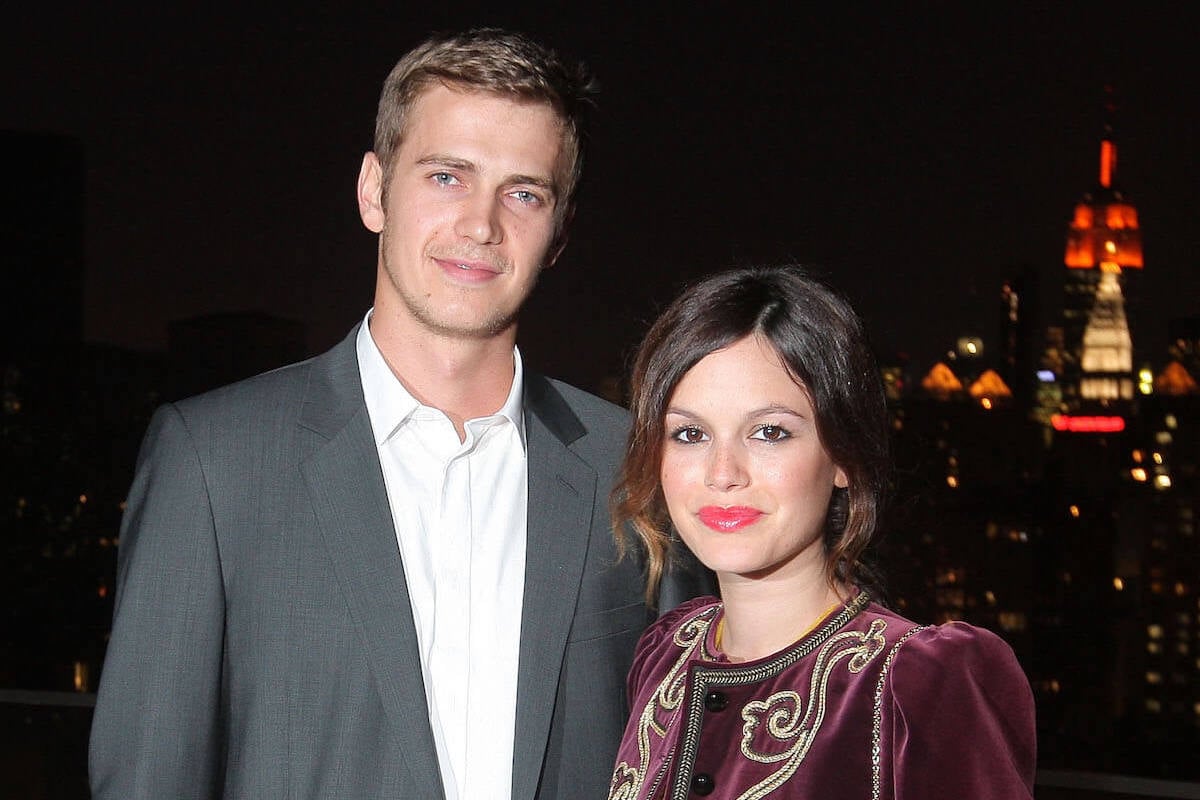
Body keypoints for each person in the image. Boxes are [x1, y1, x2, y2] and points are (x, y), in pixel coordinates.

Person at [89, 28, 697, 800]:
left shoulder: (637, 467)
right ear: (374, 191)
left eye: (523, 192)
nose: (481, 224)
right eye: (447, 176)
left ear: (559, 232)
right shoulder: (214, 461)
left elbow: (683, 761)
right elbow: (150, 777)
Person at [607, 266, 1037, 800]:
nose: (722, 472)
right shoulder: (665, 653)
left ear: (843, 456)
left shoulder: (917, 683)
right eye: (690, 434)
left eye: (770, 433)